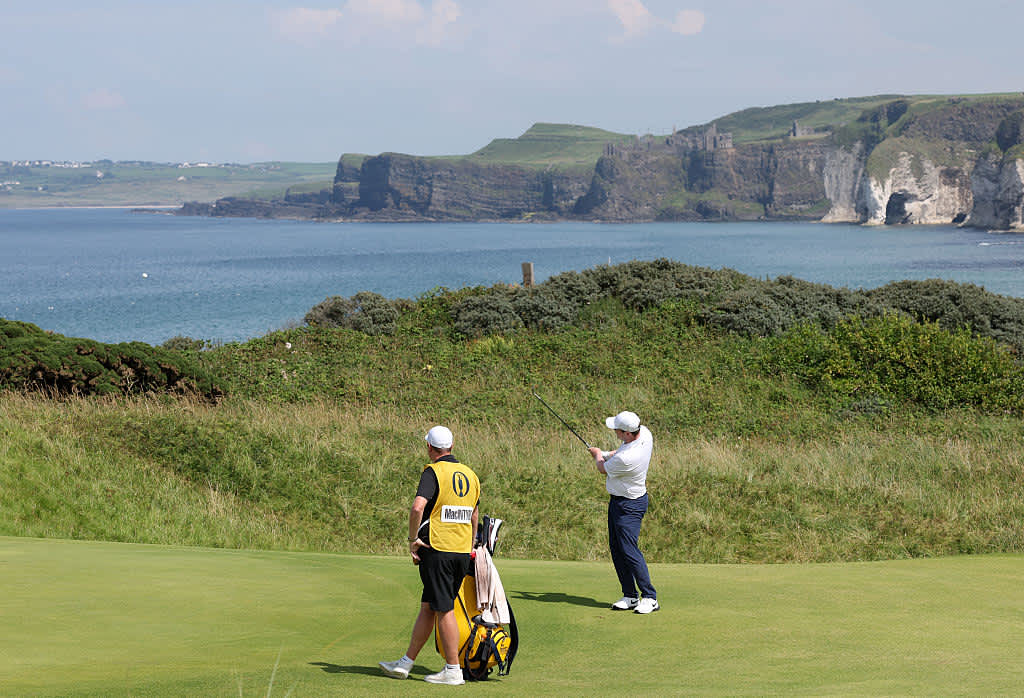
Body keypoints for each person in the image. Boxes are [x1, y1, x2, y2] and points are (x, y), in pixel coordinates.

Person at [379, 425, 481, 685]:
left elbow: (417, 508)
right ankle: (405, 663)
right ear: (452, 446)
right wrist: (471, 544)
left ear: (429, 448)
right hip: (460, 550)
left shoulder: (433, 471)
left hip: (437, 548)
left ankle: (453, 670)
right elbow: (474, 514)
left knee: (444, 609)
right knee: (430, 606)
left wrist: (413, 540)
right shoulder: (470, 474)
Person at [588, 410, 659, 614]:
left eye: (617, 431)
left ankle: (650, 597)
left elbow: (602, 468)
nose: (615, 433)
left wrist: (598, 455)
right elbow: (619, 452)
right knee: (617, 549)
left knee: (629, 550)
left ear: (627, 433)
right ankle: (630, 595)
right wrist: (608, 453)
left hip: (629, 505)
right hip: (618, 502)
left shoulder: (628, 459)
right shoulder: (643, 433)